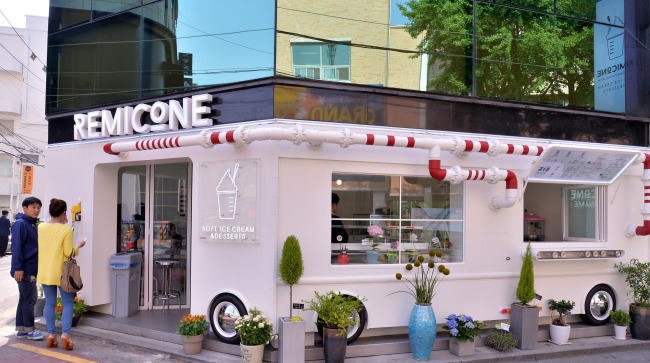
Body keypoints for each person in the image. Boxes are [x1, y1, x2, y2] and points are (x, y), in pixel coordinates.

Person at [38, 198, 86, 350]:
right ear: (64, 213)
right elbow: (68, 252)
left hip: (46, 270)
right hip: (63, 272)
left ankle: (51, 336)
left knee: (50, 303)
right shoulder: (66, 230)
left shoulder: (41, 227)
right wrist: (79, 245)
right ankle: (65, 336)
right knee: (67, 303)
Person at [10, 197, 45, 340]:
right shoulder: (21, 224)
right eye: (33, 207)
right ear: (25, 208)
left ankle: (22, 329)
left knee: (24, 298)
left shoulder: (31, 224)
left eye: (38, 208)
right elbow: (16, 247)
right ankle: (30, 330)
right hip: (24, 269)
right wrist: (18, 268)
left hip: (28, 267)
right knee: (30, 299)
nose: (36, 210)